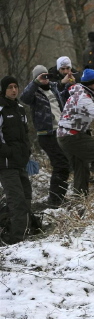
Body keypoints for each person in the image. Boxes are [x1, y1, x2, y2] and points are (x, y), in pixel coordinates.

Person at [57, 69, 94, 195]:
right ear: (90, 84)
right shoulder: (83, 97)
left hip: (65, 134)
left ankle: (80, 196)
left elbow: (93, 109)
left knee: (81, 166)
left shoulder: (81, 93)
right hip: (72, 135)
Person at [20, 65, 71, 208]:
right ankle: (55, 201)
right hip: (47, 134)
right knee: (61, 164)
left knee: (65, 164)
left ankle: (57, 197)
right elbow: (24, 98)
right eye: (41, 76)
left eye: (46, 75)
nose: (45, 78)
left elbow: (59, 84)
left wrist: (65, 80)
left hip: (61, 131)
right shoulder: (34, 93)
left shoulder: (53, 87)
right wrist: (36, 82)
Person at [0, 76, 33, 245]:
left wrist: (27, 151)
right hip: (5, 165)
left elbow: (25, 133)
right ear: (3, 90)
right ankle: (16, 240)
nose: (13, 90)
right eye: (10, 87)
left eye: (15, 86)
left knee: (26, 196)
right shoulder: (0, 109)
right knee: (16, 200)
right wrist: (9, 152)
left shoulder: (20, 109)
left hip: (20, 162)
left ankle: (22, 229)